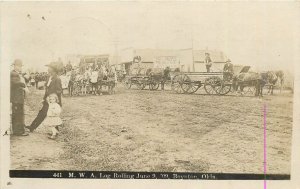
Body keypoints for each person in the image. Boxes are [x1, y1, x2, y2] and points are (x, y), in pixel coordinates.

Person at [26, 62, 63, 132]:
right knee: (42, 114)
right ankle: (32, 127)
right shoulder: (49, 77)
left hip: (53, 101)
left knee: (52, 116)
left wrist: (53, 99)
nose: (48, 69)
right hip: (48, 100)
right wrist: (44, 99)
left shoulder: (57, 79)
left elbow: (59, 91)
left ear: (53, 69)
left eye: (49, 67)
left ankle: (55, 131)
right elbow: (47, 90)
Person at [11, 59, 29, 136]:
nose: (20, 67)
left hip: (18, 97)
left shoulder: (16, 73)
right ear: (15, 66)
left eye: (20, 66)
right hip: (16, 98)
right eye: (18, 66)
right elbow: (16, 83)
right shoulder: (14, 73)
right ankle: (18, 131)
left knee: (18, 113)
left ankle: (18, 130)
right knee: (18, 114)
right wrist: (23, 84)